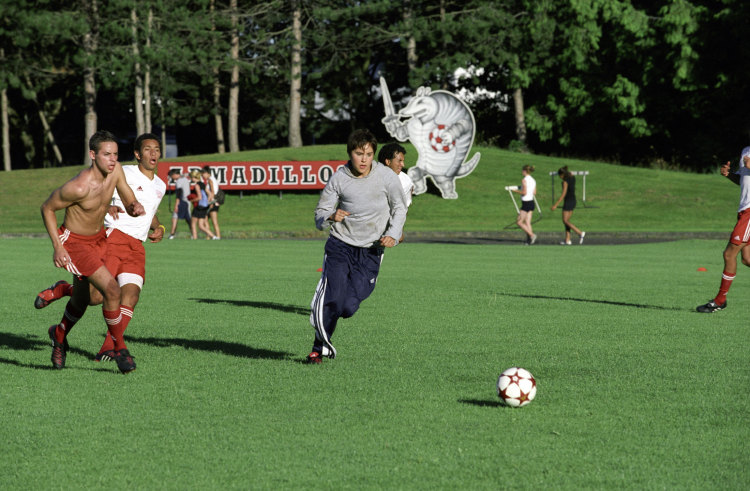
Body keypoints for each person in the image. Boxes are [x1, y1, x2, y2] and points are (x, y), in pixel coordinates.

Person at [36, 133, 167, 363]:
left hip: (123, 243)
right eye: (147, 149)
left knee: (119, 296)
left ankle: (99, 344)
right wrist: (58, 246)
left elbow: (140, 204)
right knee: (100, 295)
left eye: (115, 154)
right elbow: (55, 206)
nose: (153, 153)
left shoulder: (155, 184)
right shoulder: (96, 179)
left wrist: (153, 221)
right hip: (101, 239)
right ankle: (116, 347)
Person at [307, 129, 407, 364]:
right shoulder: (339, 178)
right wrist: (332, 215)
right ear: (350, 153)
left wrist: (393, 234)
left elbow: (399, 208)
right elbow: (320, 214)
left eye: (369, 154)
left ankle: (326, 319)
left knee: (348, 307)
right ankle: (317, 348)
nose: (364, 159)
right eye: (358, 153)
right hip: (340, 245)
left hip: (371, 250)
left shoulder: (386, 176)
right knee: (334, 296)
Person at [696, 146, 750, 313]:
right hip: (743, 211)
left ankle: (720, 300)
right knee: (747, 259)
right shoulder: (746, 150)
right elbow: (743, 179)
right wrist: (730, 175)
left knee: (729, 254)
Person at [550, 166, 586, 245]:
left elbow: (563, 194)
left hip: (568, 201)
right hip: (573, 200)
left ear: (562, 175)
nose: (559, 177)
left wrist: (555, 205)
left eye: (560, 175)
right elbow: (571, 174)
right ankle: (567, 240)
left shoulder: (565, 182)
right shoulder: (572, 177)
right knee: (567, 222)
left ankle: (579, 233)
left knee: (565, 221)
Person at [378, 142, 414, 208]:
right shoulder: (368, 178)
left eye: (403, 161)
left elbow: (403, 211)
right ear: (388, 162)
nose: (403, 165)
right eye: (399, 161)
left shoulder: (405, 181)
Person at [511, 165, 537, 244]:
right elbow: (534, 192)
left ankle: (532, 235)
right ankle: (529, 241)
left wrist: (514, 191)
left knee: (519, 222)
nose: (522, 172)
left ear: (525, 171)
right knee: (527, 222)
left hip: (526, 203)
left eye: (522, 170)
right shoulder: (533, 180)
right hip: (531, 202)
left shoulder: (524, 180)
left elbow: (524, 192)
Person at [188, 169, 217, 240]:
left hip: (199, 206)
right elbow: (210, 194)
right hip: (205, 207)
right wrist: (208, 201)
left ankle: (195, 238)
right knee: (201, 226)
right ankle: (214, 237)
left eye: (191, 177)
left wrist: (191, 200)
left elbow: (199, 197)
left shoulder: (197, 185)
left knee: (193, 224)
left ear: (193, 177)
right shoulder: (203, 184)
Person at [168, 168, 192, 239]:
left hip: (182, 201)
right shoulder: (185, 179)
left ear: (175, 174)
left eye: (171, 176)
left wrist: (176, 205)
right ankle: (193, 233)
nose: (171, 177)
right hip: (188, 201)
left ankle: (172, 234)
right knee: (188, 218)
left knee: (175, 217)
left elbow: (179, 193)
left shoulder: (179, 181)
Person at [202, 165, 222, 239]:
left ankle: (216, 236)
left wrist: (210, 202)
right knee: (206, 219)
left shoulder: (210, 180)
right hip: (214, 201)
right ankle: (211, 236)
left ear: (207, 173)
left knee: (213, 221)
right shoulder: (213, 179)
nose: (202, 176)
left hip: (213, 202)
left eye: (203, 174)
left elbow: (213, 192)